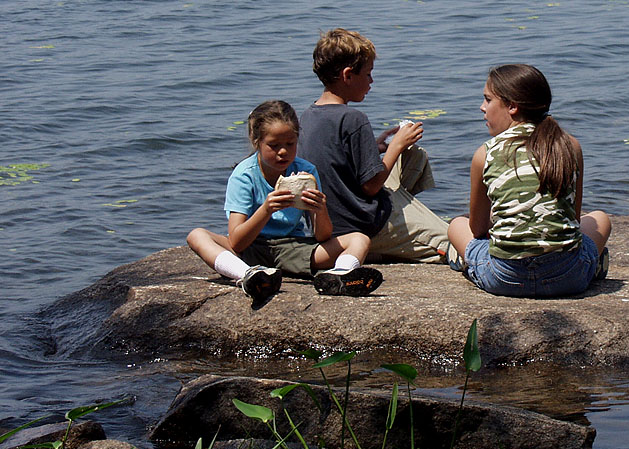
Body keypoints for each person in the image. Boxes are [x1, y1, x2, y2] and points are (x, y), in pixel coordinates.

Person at [186, 100, 382, 301]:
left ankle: (339, 275)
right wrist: (266, 210)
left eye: (290, 144)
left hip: (292, 249)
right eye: (274, 145)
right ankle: (248, 276)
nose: (283, 152)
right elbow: (236, 242)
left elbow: (322, 236)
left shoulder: (306, 171)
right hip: (251, 249)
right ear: (257, 142)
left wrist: (320, 210)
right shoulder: (244, 175)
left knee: (359, 239)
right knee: (197, 235)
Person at [447, 64, 612, 298]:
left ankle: (466, 262)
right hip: (568, 278)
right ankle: (591, 265)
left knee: (456, 225)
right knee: (600, 219)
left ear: (512, 106)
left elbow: (478, 229)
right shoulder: (569, 145)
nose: (482, 107)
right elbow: (573, 219)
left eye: (488, 99)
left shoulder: (485, 154)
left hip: (503, 279)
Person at [298, 29, 450, 264]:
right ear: (348, 75)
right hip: (363, 221)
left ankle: (404, 219)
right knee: (452, 241)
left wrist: (375, 147)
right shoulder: (353, 118)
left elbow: (335, 160)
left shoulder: (307, 116)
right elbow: (371, 186)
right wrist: (395, 146)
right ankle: (398, 233)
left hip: (330, 222)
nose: (371, 81)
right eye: (368, 74)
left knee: (414, 154)